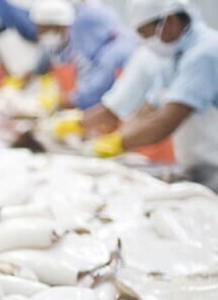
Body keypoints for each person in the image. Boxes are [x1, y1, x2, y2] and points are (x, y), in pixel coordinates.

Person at [92, 0, 218, 190]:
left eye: (145, 34)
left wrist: (120, 143)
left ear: (170, 21)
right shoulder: (174, 57)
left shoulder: (205, 53)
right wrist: (118, 136)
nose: (145, 42)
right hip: (198, 167)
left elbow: (166, 121)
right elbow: (150, 108)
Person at [28, 0, 136, 112]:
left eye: (42, 30)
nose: (39, 34)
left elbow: (96, 87)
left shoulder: (111, 51)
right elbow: (50, 56)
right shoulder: (71, 38)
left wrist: (66, 102)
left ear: (59, 27)